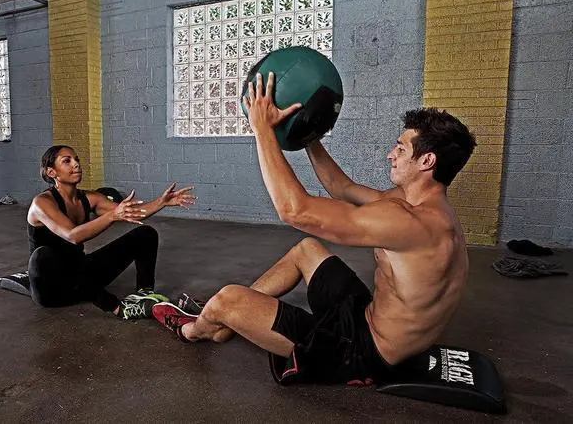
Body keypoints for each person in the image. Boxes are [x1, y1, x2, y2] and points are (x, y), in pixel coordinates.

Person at [153, 72, 477, 385]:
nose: (391, 154)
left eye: (401, 149)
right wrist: (308, 135)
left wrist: (262, 129)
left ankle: (196, 329)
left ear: (427, 161)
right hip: (365, 317)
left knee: (227, 299)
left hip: (362, 352)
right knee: (306, 250)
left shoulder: (411, 223)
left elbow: (295, 210)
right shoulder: (425, 209)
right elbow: (342, 187)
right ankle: (227, 320)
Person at [27, 145, 196, 320]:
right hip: (52, 289)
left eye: (76, 160)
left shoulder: (89, 198)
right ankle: (119, 308)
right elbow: (73, 236)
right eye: (66, 161)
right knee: (43, 255)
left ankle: (144, 294)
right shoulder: (42, 203)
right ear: (51, 172)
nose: (76, 164)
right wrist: (112, 216)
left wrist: (162, 202)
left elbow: (132, 213)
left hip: (81, 279)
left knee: (145, 234)